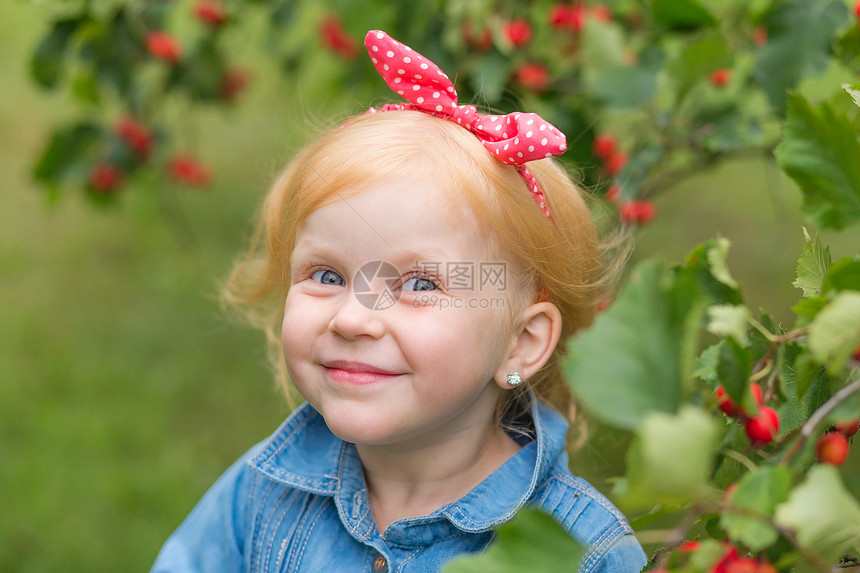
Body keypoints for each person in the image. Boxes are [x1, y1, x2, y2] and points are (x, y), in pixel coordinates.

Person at [151, 30, 647, 573]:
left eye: (419, 285)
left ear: (520, 343)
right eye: (326, 274)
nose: (353, 318)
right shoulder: (262, 493)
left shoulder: (583, 553)